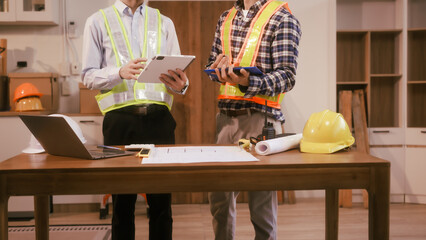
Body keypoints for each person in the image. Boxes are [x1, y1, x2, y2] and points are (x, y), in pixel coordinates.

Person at [81, 0, 189, 239]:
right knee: (122, 205)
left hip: (159, 121)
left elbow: (179, 73)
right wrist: (117, 72)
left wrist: (183, 85)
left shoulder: (164, 23)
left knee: (161, 204)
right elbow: (87, 76)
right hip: (120, 123)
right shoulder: (97, 21)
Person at [205, 0, 301, 239]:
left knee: (262, 207)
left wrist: (249, 82)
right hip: (226, 121)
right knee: (220, 201)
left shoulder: (282, 18)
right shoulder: (226, 17)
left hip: (262, 122)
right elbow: (212, 63)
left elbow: (287, 77)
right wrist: (217, 69)